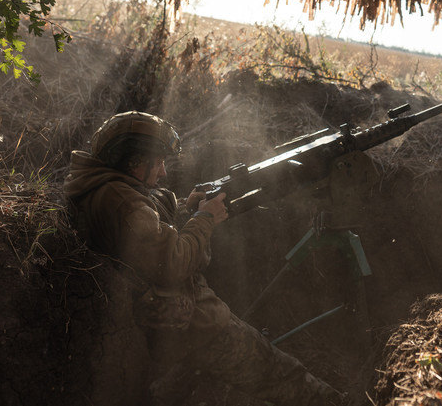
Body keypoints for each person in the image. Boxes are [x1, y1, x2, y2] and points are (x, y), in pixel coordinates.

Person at [63, 111, 345, 405]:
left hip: (154, 325)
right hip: (191, 325)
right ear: (133, 162)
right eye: (158, 162)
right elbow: (170, 264)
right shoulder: (123, 201)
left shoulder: (100, 186)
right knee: (280, 374)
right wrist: (205, 219)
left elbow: (146, 239)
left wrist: (188, 210)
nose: (163, 173)